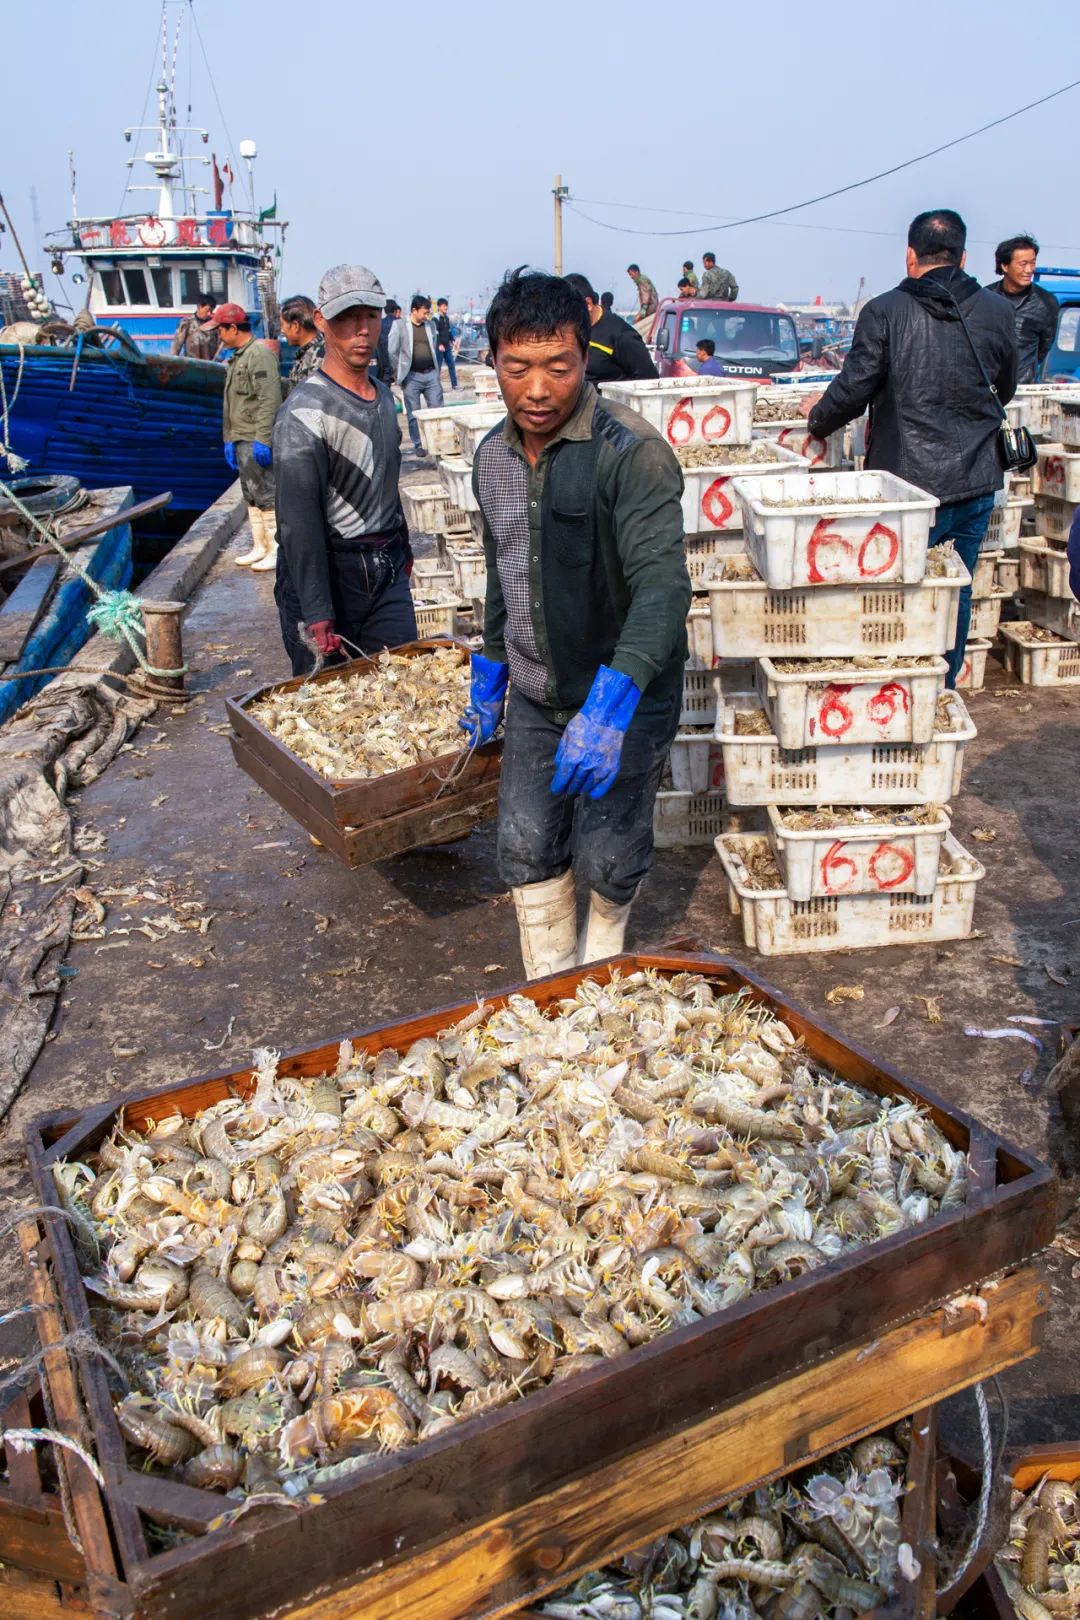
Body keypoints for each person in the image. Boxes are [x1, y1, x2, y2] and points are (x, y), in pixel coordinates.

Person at [459, 268, 691, 978]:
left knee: (608, 858)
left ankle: (601, 976)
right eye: (517, 368)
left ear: (584, 358)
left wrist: (614, 702)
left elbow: (663, 588)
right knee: (525, 847)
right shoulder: (492, 458)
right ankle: (551, 991)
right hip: (536, 691)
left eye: (558, 367)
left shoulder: (632, 454)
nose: (536, 389)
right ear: (493, 363)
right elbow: (507, 566)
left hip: (622, 692)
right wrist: (494, 664)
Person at [800, 209, 1017, 687]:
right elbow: (1007, 386)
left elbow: (854, 389)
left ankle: (897, 691)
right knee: (953, 592)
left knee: (896, 594)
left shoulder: (884, 311)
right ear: (964, 257)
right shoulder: (997, 312)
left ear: (910, 256)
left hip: (906, 488)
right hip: (976, 481)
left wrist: (817, 416)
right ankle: (941, 689)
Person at [272, 264, 416, 677]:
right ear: (321, 321)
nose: (362, 330)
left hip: (385, 568)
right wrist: (317, 609)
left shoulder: (385, 398)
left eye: (371, 316)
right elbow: (298, 522)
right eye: (347, 318)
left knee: (404, 684)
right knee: (332, 703)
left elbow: (387, 479)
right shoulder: (303, 413)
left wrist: (403, 549)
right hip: (329, 573)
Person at [215, 301, 283, 570]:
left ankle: (277, 548)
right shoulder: (237, 357)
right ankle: (260, 545)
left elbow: (269, 398)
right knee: (252, 494)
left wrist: (264, 438)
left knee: (267, 494)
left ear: (233, 328)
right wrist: (229, 439)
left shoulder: (258, 355)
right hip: (240, 436)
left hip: (255, 436)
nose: (218, 336)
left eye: (220, 330)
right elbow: (232, 404)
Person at [986, 234, 1058, 384]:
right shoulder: (985, 298)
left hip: (1023, 388)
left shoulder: (1046, 302)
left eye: (1033, 263)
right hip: (987, 387)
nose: (1029, 270)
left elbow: (1044, 348)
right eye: (1023, 264)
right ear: (1005, 266)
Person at [564, 272, 658, 385]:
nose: (563, 317)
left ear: (588, 304)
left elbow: (648, 380)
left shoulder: (621, 335)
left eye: (567, 310)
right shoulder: (567, 331)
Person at [389, 294, 444, 453]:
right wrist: (399, 373)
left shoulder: (431, 326)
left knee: (438, 409)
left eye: (428, 313)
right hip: (411, 376)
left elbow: (433, 347)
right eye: (424, 312)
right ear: (414, 310)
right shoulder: (399, 325)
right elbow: (392, 352)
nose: (427, 316)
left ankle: (438, 442)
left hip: (431, 374)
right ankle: (418, 443)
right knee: (414, 414)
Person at [280, 294, 324, 393]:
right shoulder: (306, 353)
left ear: (295, 326)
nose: (282, 330)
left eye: (283, 325)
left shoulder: (319, 356)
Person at [171, 295, 219, 360]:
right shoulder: (186, 322)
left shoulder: (214, 325)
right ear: (199, 307)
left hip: (209, 365)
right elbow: (177, 346)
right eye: (207, 310)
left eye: (212, 311)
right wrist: (172, 362)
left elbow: (220, 347)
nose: (209, 314)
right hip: (191, 364)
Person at [626, 264, 658, 337]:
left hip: (650, 308)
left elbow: (645, 295)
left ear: (636, 272)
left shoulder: (642, 281)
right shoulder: (643, 279)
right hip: (651, 307)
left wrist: (643, 310)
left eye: (631, 274)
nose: (631, 277)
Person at [434, 297, 459, 390]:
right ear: (439, 307)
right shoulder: (435, 318)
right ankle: (437, 387)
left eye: (446, 306)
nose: (446, 308)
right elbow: (436, 333)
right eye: (444, 306)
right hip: (439, 347)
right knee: (438, 368)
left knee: (451, 365)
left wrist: (452, 340)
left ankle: (455, 385)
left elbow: (448, 331)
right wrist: (439, 344)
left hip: (447, 346)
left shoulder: (446, 318)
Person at [376, 299, 400, 385]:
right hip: (398, 361)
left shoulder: (380, 323)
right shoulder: (400, 323)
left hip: (383, 359)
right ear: (395, 310)